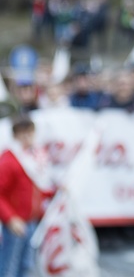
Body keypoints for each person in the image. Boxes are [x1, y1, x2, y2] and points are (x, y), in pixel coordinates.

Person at [0, 115, 56, 277]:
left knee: (25, 266)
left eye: (30, 133)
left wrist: (55, 192)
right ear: (15, 136)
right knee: (9, 267)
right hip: (16, 224)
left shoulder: (34, 157)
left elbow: (39, 186)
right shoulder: (10, 160)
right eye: (22, 133)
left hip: (31, 221)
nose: (27, 137)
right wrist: (10, 218)